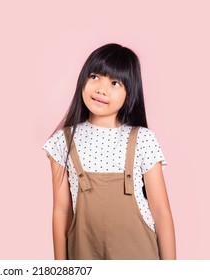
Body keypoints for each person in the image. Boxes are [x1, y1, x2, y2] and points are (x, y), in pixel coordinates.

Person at [42, 43, 176, 260]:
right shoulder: (62, 142)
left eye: (115, 82)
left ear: (129, 92)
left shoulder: (143, 138)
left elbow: (161, 212)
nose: (101, 89)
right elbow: (61, 212)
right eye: (94, 76)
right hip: (84, 255)